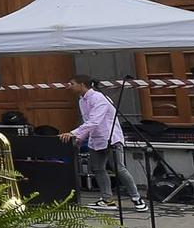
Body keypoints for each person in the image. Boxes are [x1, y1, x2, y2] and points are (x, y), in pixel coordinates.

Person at [60, 74, 146, 212]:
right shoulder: (82, 101)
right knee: (98, 169)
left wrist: (73, 133)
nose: (69, 86)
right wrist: (80, 137)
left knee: (119, 168)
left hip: (111, 137)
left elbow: (95, 121)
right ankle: (107, 199)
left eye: (72, 83)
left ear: (82, 84)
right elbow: (88, 122)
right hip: (96, 139)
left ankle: (137, 198)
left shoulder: (99, 98)